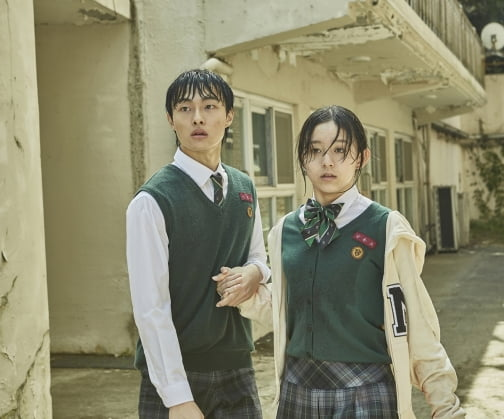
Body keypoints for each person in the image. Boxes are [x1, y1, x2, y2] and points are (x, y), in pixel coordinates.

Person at [238, 105, 465, 418]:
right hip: (297, 391)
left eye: (340, 151)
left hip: (365, 393)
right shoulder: (284, 231)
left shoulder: (386, 228)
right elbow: (285, 309)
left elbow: (416, 320)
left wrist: (445, 405)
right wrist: (242, 292)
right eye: (315, 151)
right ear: (303, 159)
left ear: (362, 158)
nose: (327, 161)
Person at [126, 69, 270, 419]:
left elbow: (258, 257)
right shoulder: (152, 201)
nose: (198, 118)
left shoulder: (244, 188)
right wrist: (177, 397)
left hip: (237, 367)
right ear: (170, 119)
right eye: (185, 109)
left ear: (229, 116)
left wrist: (254, 273)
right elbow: (150, 307)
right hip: (177, 374)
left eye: (209, 106)